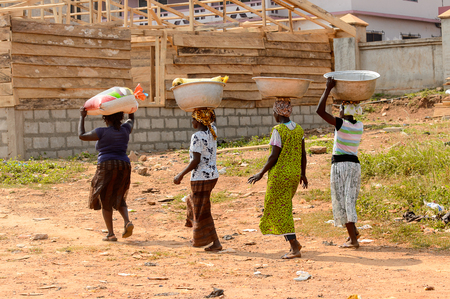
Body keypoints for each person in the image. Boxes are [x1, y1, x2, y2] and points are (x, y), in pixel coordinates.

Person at [248, 98, 308, 259]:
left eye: (274, 111)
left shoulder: (278, 130)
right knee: (283, 207)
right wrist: (303, 173)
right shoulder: (299, 129)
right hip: (294, 175)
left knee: (281, 210)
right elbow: (303, 154)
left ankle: (294, 247)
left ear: (277, 112)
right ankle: (294, 242)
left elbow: (273, 156)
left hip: (280, 175)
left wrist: (260, 173)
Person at [316, 77, 364, 248]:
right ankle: (354, 233)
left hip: (340, 166)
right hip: (354, 166)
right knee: (349, 199)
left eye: (341, 108)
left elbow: (320, 112)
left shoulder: (341, 124)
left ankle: (353, 239)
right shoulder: (359, 126)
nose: (339, 112)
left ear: (345, 110)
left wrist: (328, 89)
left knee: (343, 202)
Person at [78, 108, 135, 242]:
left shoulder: (101, 132)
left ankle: (111, 234)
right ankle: (127, 221)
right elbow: (131, 120)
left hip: (106, 166)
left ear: (105, 118)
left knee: (106, 199)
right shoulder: (126, 129)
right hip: (124, 165)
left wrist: (82, 117)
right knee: (119, 195)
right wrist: (131, 109)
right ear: (121, 117)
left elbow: (82, 135)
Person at [174, 108, 222, 252]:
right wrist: (209, 106)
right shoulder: (212, 130)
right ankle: (197, 231)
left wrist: (180, 175)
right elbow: (213, 120)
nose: (192, 121)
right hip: (212, 176)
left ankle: (215, 242)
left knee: (202, 210)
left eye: (194, 118)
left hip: (200, 178)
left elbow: (195, 161)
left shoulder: (197, 136)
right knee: (196, 203)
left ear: (200, 120)